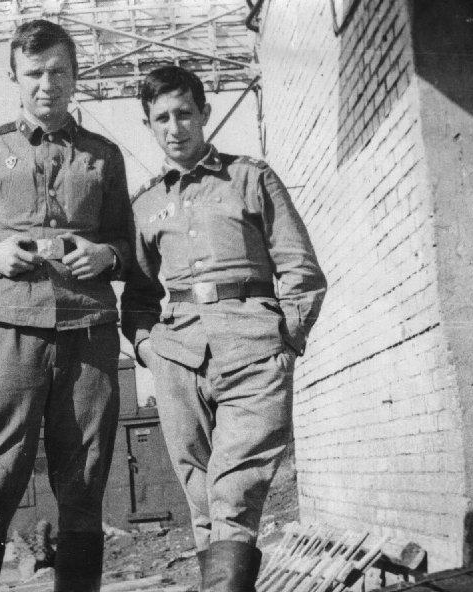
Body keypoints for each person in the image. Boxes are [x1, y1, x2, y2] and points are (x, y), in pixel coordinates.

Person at [0, 19, 130, 592]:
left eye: (59, 72)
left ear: (76, 76)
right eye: (35, 73)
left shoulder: (104, 156)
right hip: (7, 332)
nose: (47, 85)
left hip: (87, 332)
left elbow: (127, 243)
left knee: (84, 484)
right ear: (14, 78)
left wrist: (107, 255)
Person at [121, 66, 326, 592]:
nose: (174, 128)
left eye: (184, 113)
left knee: (233, 493)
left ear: (204, 114)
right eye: (161, 118)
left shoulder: (250, 178)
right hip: (179, 361)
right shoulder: (145, 205)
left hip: (252, 351)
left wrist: (285, 340)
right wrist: (150, 351)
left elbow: (301, 270)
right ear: (148, 125)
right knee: (201, 500)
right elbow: (139, 298)